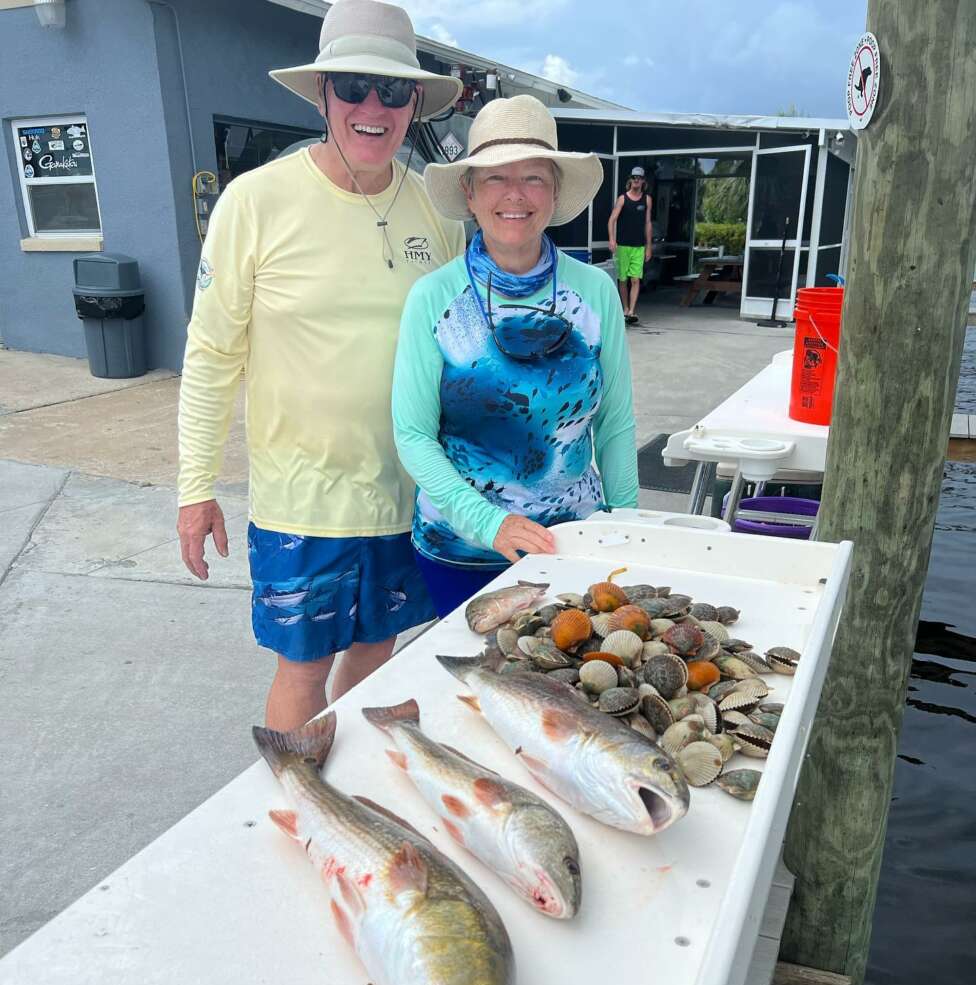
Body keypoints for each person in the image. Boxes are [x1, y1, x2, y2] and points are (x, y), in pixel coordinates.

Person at [176, 0, 464, 731]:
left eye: (394, 91)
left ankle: (339, 781)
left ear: (413, 103)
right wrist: (194, 487)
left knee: (377, 648)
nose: (375, 107)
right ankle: (297, 805)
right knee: (302, 667)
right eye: (354, 88)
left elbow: (466, 350)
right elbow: (211, 355)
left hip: (406, 492)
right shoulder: (256, 202)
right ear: (323, 94)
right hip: (300, 502)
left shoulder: (436, 210)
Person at [391, 95, 639, 618]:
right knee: (470, 692)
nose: (515, 196)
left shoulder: (595, 291)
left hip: (572, 545)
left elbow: (615, 423)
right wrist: (489, 523)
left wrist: (627, 528)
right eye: (496, 178)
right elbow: (412, 435)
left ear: (554, 192)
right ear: (470, 192)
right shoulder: (434, 298)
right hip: (461, 550)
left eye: (533, 178)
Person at [608, 166, 652, 324]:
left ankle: (632, 311)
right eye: (634, 177)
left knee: (635, 279)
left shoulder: (646, 199)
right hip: (623, 246)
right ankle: (625, 309)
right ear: (630, 179)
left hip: (639, 246)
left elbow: (647, 223)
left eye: (639, 178)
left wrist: (649, 246)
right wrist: (612, 239)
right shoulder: (622, 199)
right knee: (622, 280)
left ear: (643, 181)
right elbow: (612, 219)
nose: (636, 180)